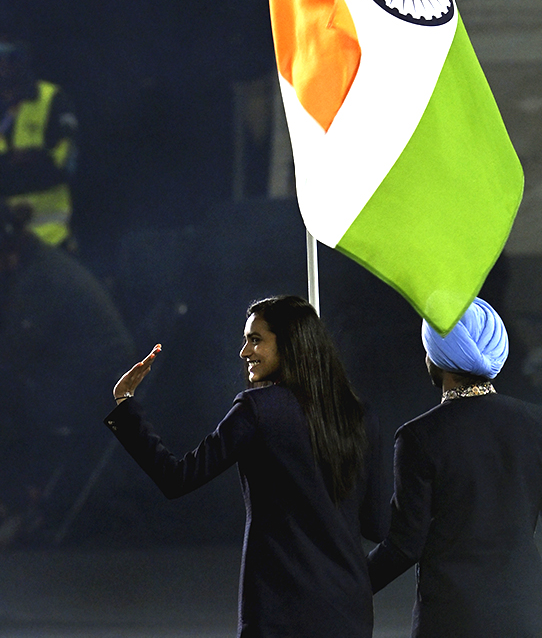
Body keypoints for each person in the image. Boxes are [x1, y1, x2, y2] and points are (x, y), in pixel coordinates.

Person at [105, 294, 388, 638]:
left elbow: (177, 478)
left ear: (291, 344)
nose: (244, 352)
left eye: (256, 340)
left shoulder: (257, 410)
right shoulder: (360, 414)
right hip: (349, 610)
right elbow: (377, 524)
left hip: (280, 613)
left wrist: (125, 405)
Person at [367, 297, 542, 638]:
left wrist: (348, 587)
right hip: (521, 617)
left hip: (449, 619)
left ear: (436, 357)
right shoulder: (537, 424)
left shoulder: (418, 436)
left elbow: (404, 545)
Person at [0, 200, 134, 544]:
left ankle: (19, 500)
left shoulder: (39, 281)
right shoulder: (32, 268)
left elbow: (15, 357)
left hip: (97, 390)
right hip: (82, 379)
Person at [0, 37, 78, 248]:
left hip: (50, 237)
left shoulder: (51, 98)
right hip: (5, 244)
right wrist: (13, 160)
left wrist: (30, 161)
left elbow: (66, 161)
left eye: (6, 55)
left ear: (21, 59)